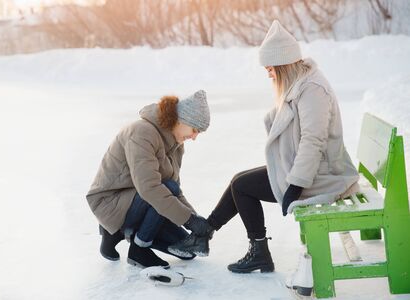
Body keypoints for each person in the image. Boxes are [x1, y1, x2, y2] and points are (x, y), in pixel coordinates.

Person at [168, 20, 360, 273]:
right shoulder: (301, 83)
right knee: (239, 180)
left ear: (283, 65)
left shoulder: (312, 89)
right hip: (312, 169)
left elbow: (314, 140)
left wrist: (296, 184)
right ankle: (207, 231)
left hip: (322, 176)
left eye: (270, 69)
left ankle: (256, 252)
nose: (269, 75)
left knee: (243, 187)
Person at [86, 90, 212, 269]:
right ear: (181, 120)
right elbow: (150, 188)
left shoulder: (176, 146)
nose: (194, 137)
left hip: (142, 203)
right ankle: (138, 249)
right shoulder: (141, 132)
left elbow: (175, 190)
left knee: (188, 250)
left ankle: (117, 232)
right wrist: (189, 220)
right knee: (166, 188)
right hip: (110, 202)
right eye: (194, 130)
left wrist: (196, 222)